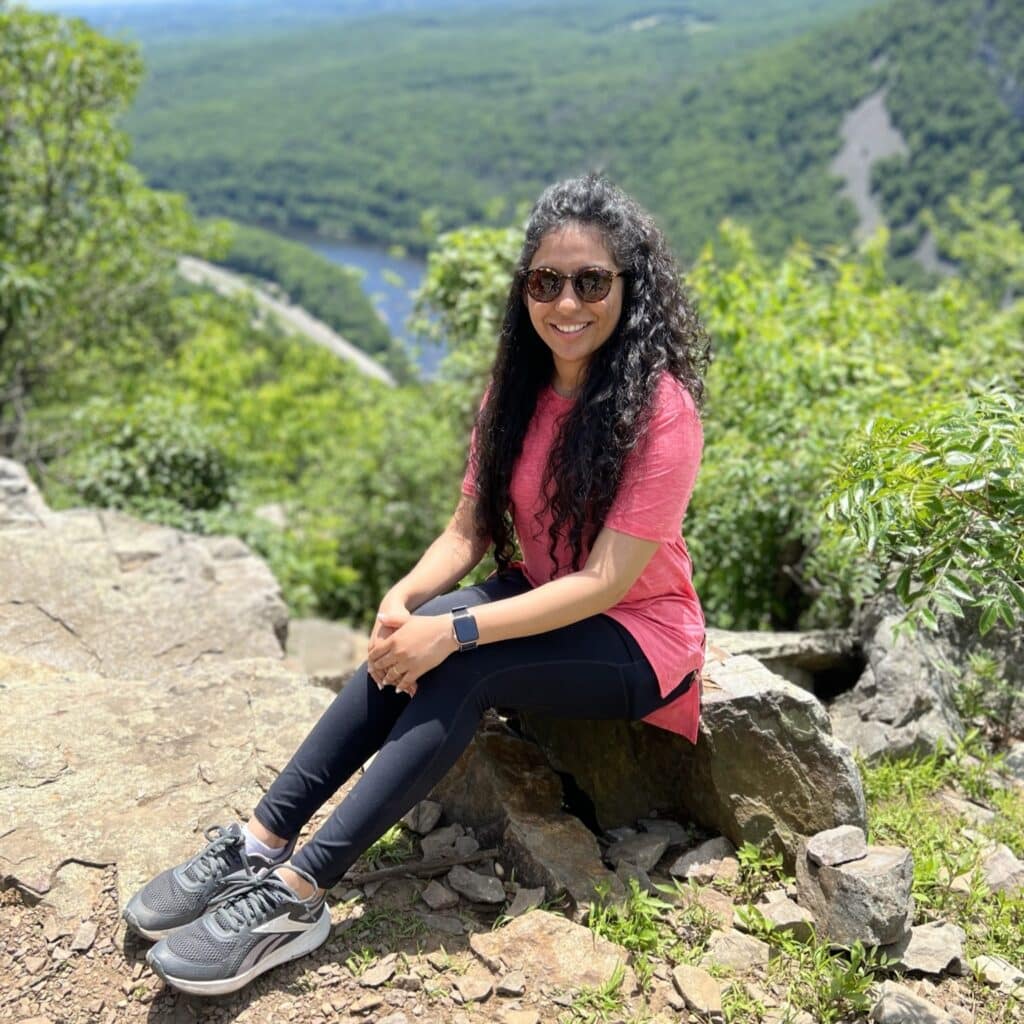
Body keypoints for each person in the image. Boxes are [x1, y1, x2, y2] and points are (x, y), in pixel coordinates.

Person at [126, 173, 711, 996]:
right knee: (420, 629)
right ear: (525, 290)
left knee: (466, 658)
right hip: (543, 592)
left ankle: (298, 896)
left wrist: (461, 633)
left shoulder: (660, 409)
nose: (567, 302)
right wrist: (403, 600)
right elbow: (469, 530)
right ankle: (260, 841)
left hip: (638, 636)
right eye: (547, 281)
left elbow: (608, 581)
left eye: (593, 281)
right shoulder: (516, 392)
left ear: (629, 287)